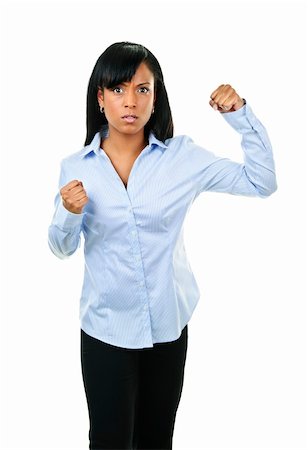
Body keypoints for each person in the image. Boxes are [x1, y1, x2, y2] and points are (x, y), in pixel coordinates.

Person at [48, 41, 277, 450]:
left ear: (156, 97)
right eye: (117, 90)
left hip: (168, 328)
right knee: (108, 440)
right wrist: (68, 210)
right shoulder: (76, 167)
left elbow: (262, 182)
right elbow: (61, 248)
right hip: (105, 330)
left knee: (156, 439)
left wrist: (240, 116)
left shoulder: (182, 158)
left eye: (142, 89)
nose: (130, 102)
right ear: (100, 98)